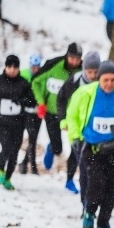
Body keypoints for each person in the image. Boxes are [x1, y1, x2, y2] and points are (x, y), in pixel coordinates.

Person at [66, 61, 114, 228]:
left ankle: (104, 222)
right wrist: (74, 137)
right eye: (105, 80)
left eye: (113, 80)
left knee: (110, 188)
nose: (109, 84)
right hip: (92, 148)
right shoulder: (85, 93)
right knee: (95, 182)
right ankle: (89, 212)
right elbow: (72, 115)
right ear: (99, 79)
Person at [0, 55, 37, 190]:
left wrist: (23, 101)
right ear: (5, 67)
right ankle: (0, 170)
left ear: (18, 69)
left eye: (15, 67)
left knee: (15, 152)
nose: (12, 70)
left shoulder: (23, 83)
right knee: (6, 146)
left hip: (18, 122)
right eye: (9, 67)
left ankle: (8, 178)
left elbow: (32, 101)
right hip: (1, 121)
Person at [31, 42, 83, 170]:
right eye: (72, 58)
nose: (74, 62)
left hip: (72, 114)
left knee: (77, 145)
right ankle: (52, 148)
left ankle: (71, 174)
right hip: (52, 112)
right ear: (66, 56)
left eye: (78, 59)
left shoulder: (83, 70)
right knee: (57, 147)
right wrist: (41, 102)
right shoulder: (54, 64)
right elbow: (35, 82)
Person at [57, 50, 100, 197]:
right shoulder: (75, 80)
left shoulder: (104, 82)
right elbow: (61, 99)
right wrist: (63, 119)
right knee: (77, 154)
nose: (92, 76)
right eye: (89, 72)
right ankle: (70, 179)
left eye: (95, 72)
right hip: (75, 123)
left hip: (94, 127)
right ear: (84, 70)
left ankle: (90, 186)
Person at [19, 54, 43, 174]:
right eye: (33, 67)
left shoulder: (42, 77)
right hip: (25, 113)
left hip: (38, 113)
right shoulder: (23, 75)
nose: (35, 69)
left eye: (37, 67)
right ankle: (31, 166)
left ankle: (25, 163)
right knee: (30, 138)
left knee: (33, 139)